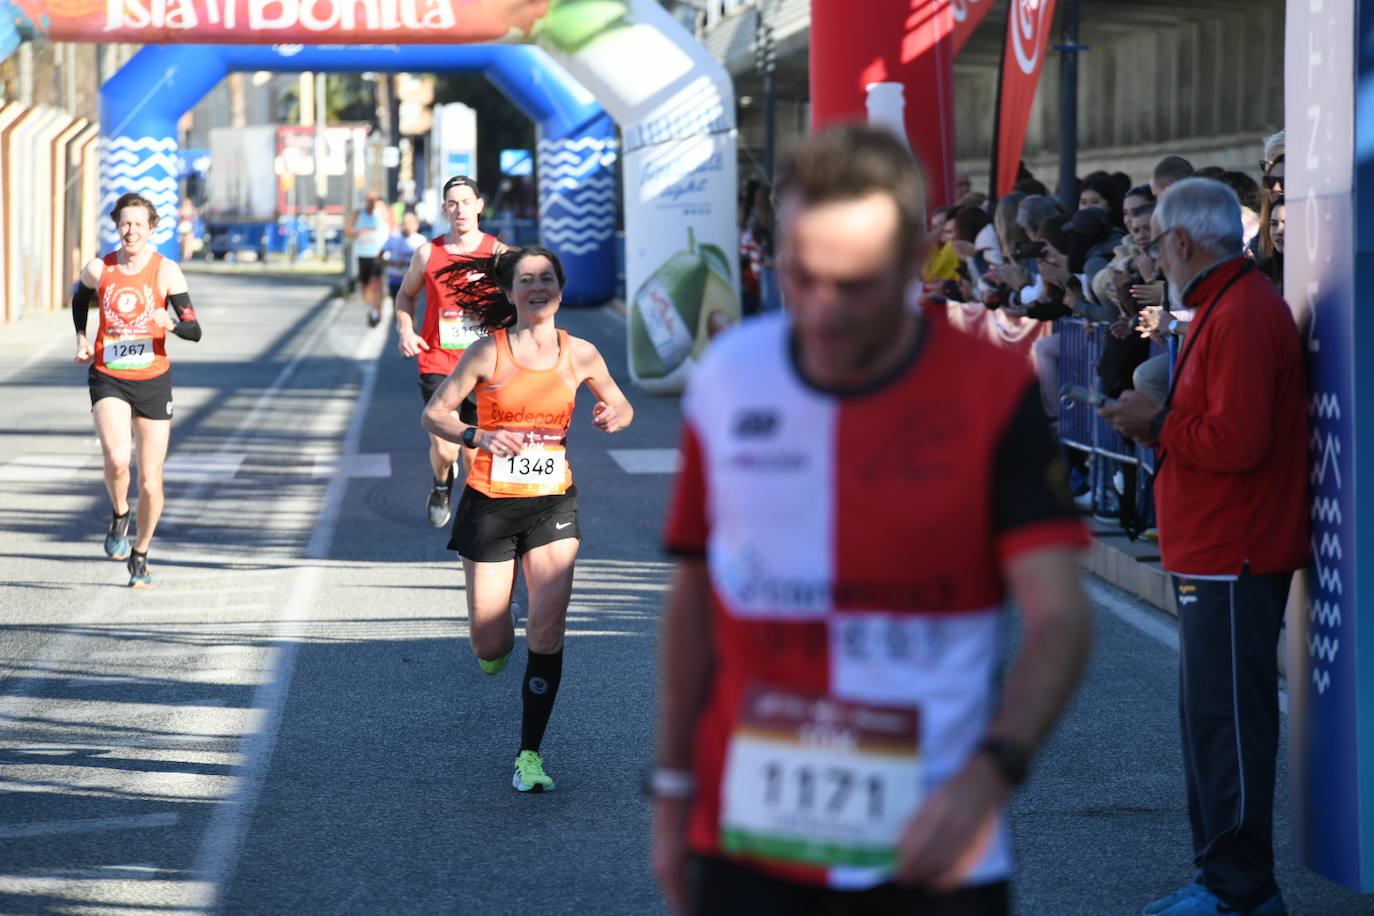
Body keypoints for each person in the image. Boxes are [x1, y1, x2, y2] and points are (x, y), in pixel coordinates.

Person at [651, 124, 1094, 916]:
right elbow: (692, 600)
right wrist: (672, 788)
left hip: (935, 842)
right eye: (800, 275)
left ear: (914, 262)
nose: (821, 312)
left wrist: (992, 771)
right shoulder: (731, 376)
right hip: (751, 839)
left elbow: (1060, 617)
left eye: (851, 285)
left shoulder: (990, 391)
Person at [1100, 178, 1306, 916]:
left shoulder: (1242, 312)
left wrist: (1154, 425)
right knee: (1211, 722)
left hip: (1235, 547)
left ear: (1182, 241)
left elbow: (1240, 441)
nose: (1154, 256)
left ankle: (1240, 888)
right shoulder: (1228, 302)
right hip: (1219, 547)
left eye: (1156, 242)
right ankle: (1223, 879)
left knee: (1227, 724)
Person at [420, 245, 633, 794]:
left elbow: (621, 402)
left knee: (549, 624)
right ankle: (497, 635)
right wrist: (477, 434)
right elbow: (435, 412)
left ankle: (530, 754)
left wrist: (616, 413)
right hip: (491, 502)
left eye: (546, 279)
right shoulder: (486, 354)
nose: (537, 288)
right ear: (510, 292)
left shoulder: (580, 353)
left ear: (559, 289)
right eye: (526, 280)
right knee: (490, 642)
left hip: (552, 502)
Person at [72, 191, 203, 588]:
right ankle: (118, 514)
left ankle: (141, 552)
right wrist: (81, 337)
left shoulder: (166, 272)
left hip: (152, 379)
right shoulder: (100, 268)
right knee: (115, 459)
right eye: (125, 224)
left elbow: (194, 330)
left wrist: (172, 324)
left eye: (138, 225)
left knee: (150, 481)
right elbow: (79, 298)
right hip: (109, 373)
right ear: (117, 226)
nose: (131, 231)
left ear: (151, 229)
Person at [395, 176, 508, 528]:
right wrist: (405, 330)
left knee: (474, 455)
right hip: (438, 359)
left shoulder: (498, 254)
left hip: (483, 362)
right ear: (445, 209)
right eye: (452, 203)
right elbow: (405, 295)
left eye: (465, 201)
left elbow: (520, 302)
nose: (459, 209)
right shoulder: (428, 253)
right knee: (445, 448)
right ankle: (442, 484)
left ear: (479, 206)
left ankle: (475, 519)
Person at [345, 190, 391, 327]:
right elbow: (347, 230)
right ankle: (370, 309)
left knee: (377, 283)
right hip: (363, 253)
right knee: (366, 284)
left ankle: (377, 310)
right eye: (368, 200)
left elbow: (392, 227)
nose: (371, 203)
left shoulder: (383, 213)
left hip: (379, 254)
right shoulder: (358, 213)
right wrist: (358, 232)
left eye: (374, 200)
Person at [382, 210, 424, 304]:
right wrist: (392, 263)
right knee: (396, 304)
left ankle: (413, 319)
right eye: (405, 223)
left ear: (416, 224)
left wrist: (407, 263)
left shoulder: (420, 240)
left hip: (413, 280)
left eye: (410, 223)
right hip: (395, 278)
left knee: (412, 305)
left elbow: (425, 263)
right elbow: (380, 255)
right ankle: (395, 318)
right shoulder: (393, 238)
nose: (407, 225)